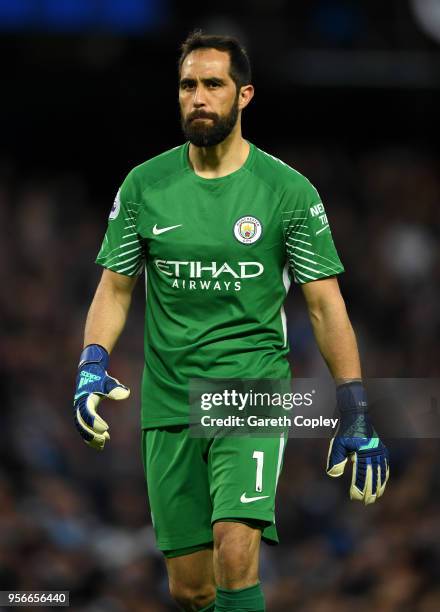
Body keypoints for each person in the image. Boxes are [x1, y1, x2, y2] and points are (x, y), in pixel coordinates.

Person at [73, 31, 389, 612]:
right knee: (192, 589)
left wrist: (355, 405)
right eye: (188, 85)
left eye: (213, 84)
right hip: (168, 397)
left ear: (243, 95)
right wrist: (92, 363)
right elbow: (114, 290)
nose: (198, 97)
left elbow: (325, 305)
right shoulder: (145, 186)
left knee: (235, 552)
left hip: (249, 390)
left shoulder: (287, 192)